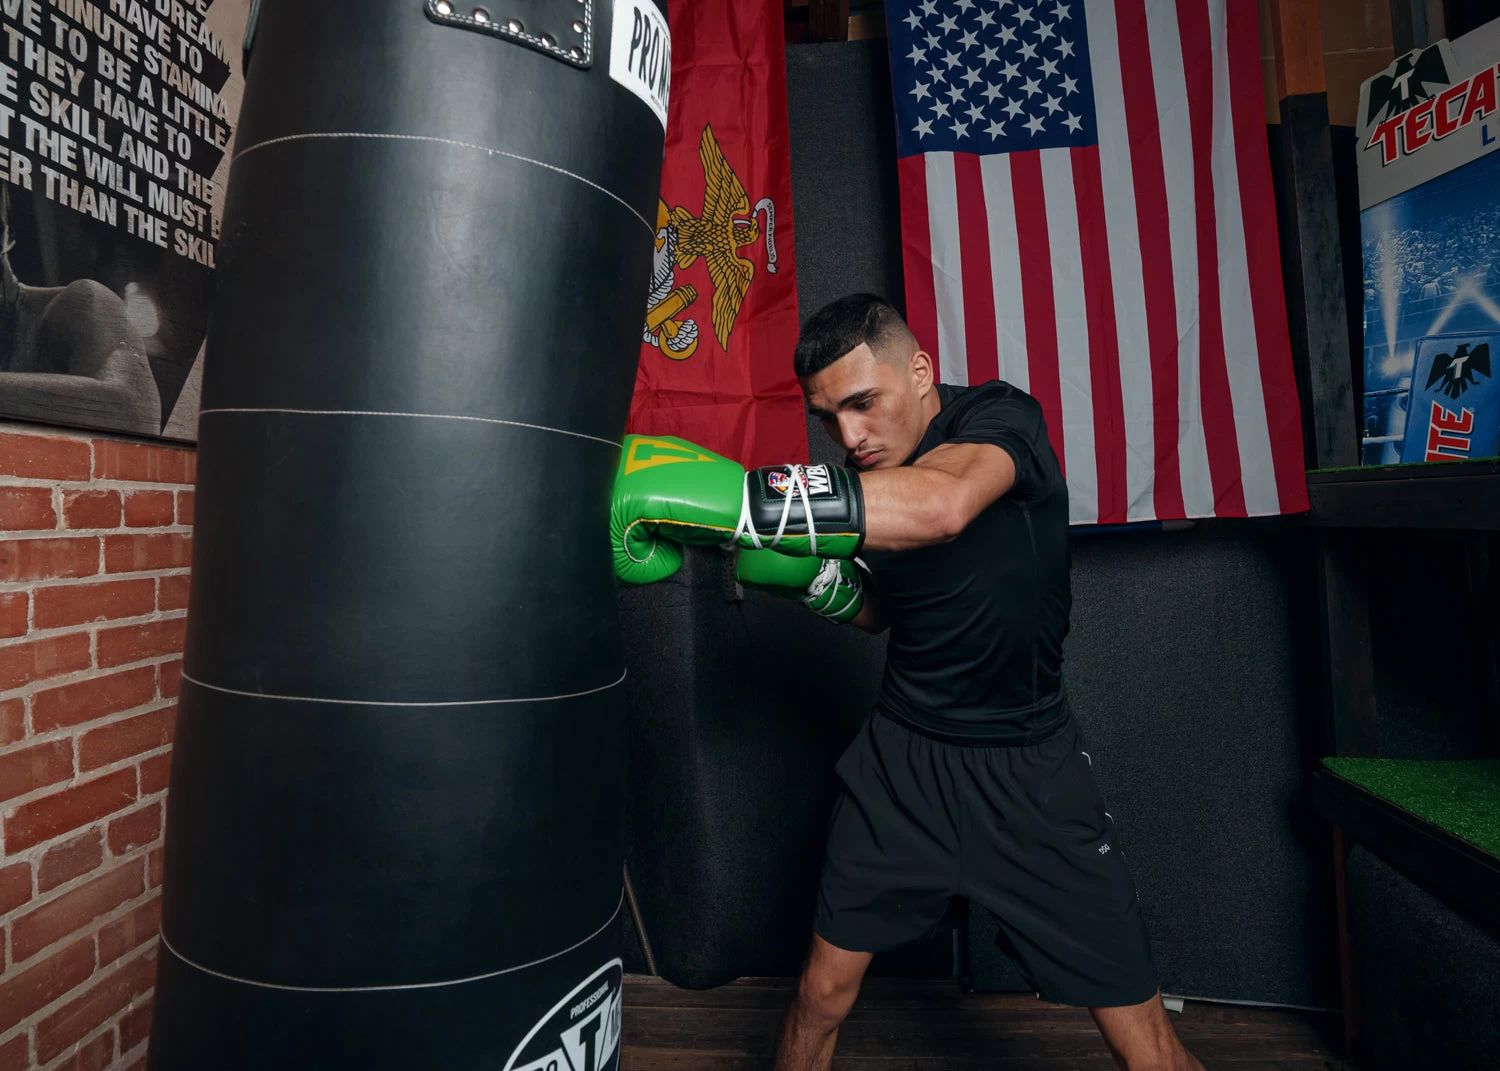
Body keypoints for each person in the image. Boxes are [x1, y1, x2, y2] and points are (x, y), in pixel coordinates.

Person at [610, 293, 1204, 1071]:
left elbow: (944, 506)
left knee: (1147, 1047)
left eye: (863, 403)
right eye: (828, 417)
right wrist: (818, 583)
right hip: (903, 763)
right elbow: (887, 610)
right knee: (820, 995)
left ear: (920, 371)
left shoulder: (1000, 420)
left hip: (1028, 768)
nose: (849, 436)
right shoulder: (864, 480)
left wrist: (744, 504)